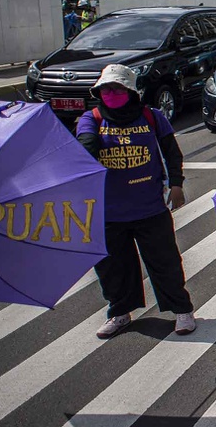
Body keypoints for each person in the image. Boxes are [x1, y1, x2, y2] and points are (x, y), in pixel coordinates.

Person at [75, 64, 195, 339]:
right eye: (106, 89)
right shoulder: (90, 119)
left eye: (118, 88)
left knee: (165, 263)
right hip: (108, 213)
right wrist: (88, 150)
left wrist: (176, 184)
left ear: (131, 92)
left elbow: (171, 152)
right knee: (113, 269)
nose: (112, 94)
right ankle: (120, 313)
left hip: (150, 208)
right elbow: (86, 146)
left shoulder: (151, 117)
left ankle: (182, 311)